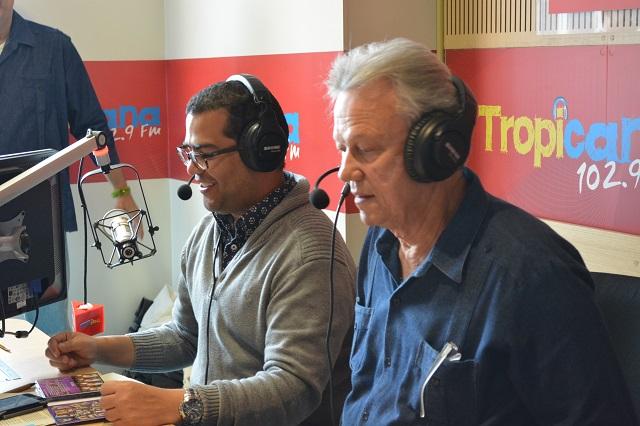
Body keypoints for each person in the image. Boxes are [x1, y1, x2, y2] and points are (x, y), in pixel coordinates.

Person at [325, 37, 638, 425]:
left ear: (435, 149)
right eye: (342, 148)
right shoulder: (380, 242)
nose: (345, 171)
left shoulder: (530, 274)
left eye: (366, 149)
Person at [46, 74, 356, 426]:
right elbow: (185, 336)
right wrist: (98, 349)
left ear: (261, 150)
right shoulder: (209, 232)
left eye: (205, 155)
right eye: (189, 154)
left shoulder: (309, 254)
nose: (192, 170)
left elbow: (292, 388)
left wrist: (178, 404)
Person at [0, 1, 140, 334]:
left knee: (46, 333)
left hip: (38, 224)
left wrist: (121, 192)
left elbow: (93, 128)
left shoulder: (53, 49)